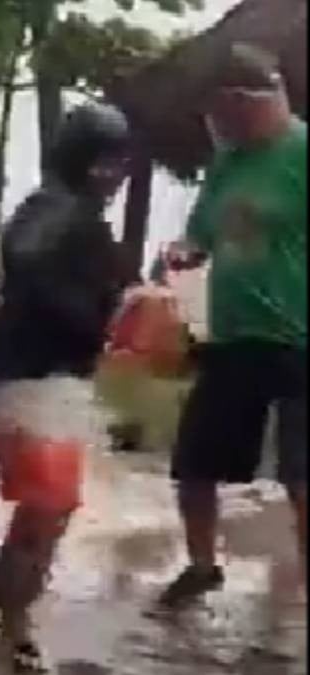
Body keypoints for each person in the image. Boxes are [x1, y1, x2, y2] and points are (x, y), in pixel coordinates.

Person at [0, 102, 133, 671]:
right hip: (32, 374)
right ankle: (15, 627)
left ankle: (3, 586)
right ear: (91, 163)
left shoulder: (74, 211)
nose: (120, 175)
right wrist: (85, 319)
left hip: (41, 374)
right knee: (50, 502)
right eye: (113, 162)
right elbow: (23, 253)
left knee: (49, 504)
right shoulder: (59, 207)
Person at [158, 43, 307, 610]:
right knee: (194, 463)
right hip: (233, 336)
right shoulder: (227, 164)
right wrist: (183, 251)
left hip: (300, 338)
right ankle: (201, 567)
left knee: (303, 476)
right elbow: (201, 234)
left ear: (251, 101)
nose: (216, 126)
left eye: (222, 114)